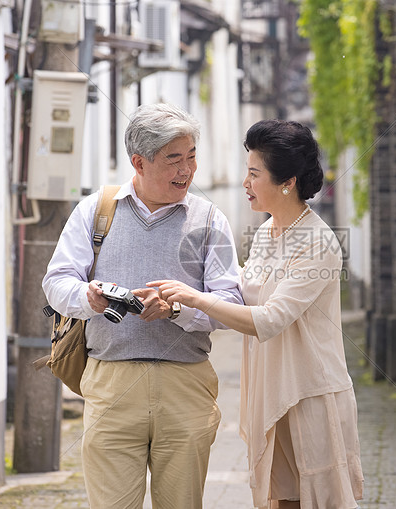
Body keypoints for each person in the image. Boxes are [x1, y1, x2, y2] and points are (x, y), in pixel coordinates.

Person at [149, 119, 363, 508]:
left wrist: (196, 298)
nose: (245, 183)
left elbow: (268, 319)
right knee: (276, 500)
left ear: (288, 181)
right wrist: (178, 305)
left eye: (253, 173)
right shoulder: (266, 233)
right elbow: (241, 300)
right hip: (270, 390)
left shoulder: (317, 243)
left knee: (314, 499)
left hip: (308, 393)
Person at [42, 103, 243, 509]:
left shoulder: (209, 220)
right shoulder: (97, 210)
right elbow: (56, 281)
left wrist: (177, 309)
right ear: (139, 162)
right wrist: (90, 297)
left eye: (191, 158)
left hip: (185, 386)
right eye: (173, 159)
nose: (186, 170)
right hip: (110, 382)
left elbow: (230, 303)